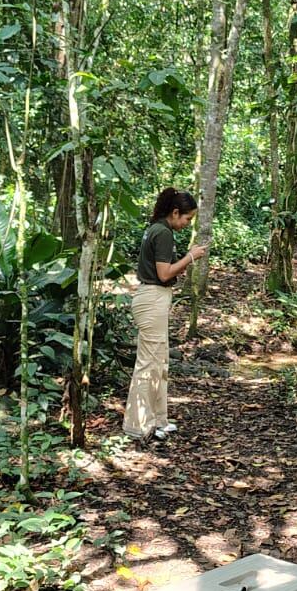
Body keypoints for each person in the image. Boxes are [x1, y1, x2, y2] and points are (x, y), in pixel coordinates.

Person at [124, 187, 207, 440]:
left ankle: (158, 420)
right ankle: (138, 425)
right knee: (148, 363)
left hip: (154, 298)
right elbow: (164, 273)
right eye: (187, 218)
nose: (187, 224)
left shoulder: (157, 229)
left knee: (159, 361)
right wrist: (190, 257)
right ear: (175, 212)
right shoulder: (163, 233)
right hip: (152, 298)